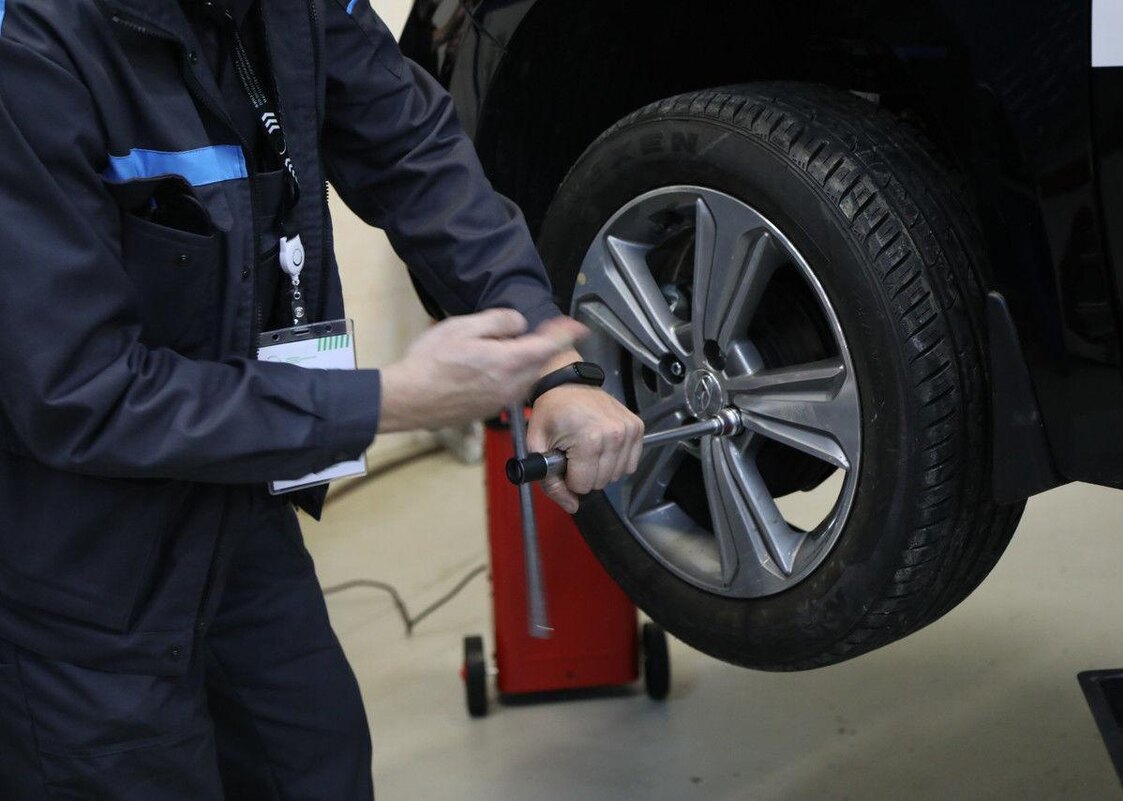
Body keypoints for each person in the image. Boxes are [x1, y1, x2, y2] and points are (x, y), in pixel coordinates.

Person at [0, 0, 642, 797]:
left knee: (318, 761)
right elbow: (79, 390)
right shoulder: (30, 45)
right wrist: (386, 401)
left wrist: (548, 360)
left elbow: (412, 150)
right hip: (70, 563)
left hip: (233, 501)